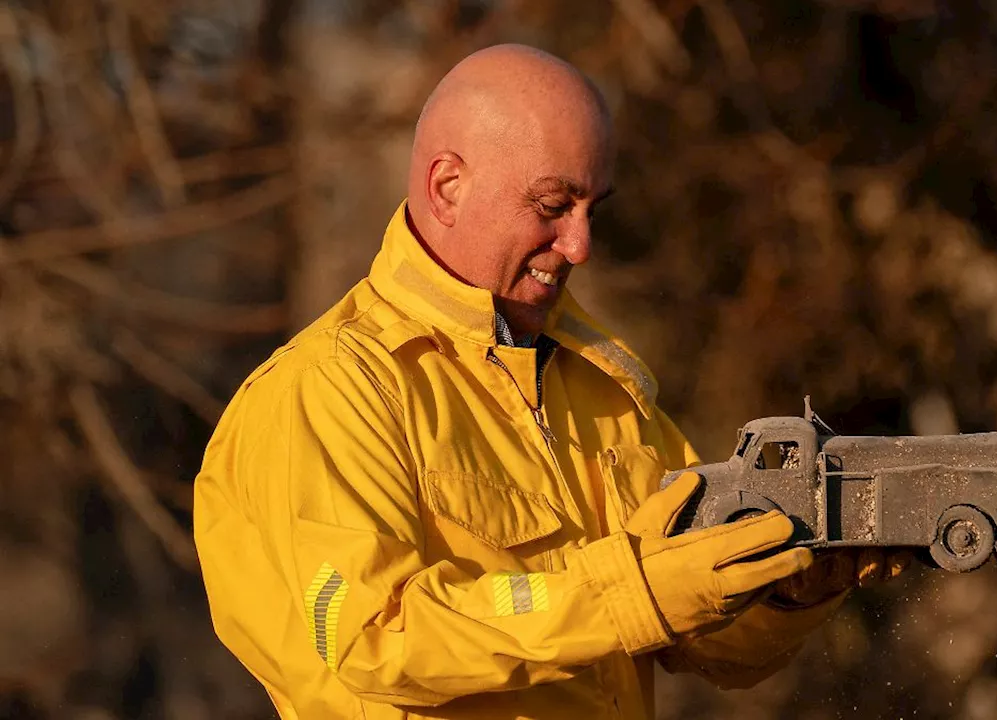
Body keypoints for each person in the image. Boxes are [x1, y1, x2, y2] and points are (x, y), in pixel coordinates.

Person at [193, 44, 906, 720]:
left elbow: (701, 636)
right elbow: (376, 636)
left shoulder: (602, 386)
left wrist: (789, 590)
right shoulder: (329, 389)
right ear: (447, 186)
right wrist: (630, 593)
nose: (580, 245)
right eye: (553, 205)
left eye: (594, 209)